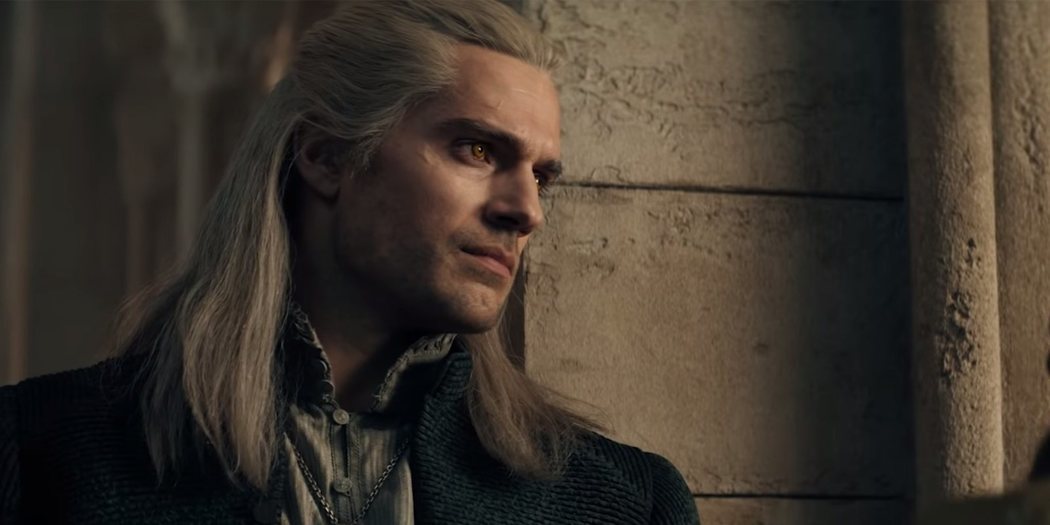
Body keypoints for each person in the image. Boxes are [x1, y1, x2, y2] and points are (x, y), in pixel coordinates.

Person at [0, 1, 699, 523]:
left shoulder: (624, 503)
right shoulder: (38, 457)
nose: (527, 210)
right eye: (479, 150)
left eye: (542, 177)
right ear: (328, 156)